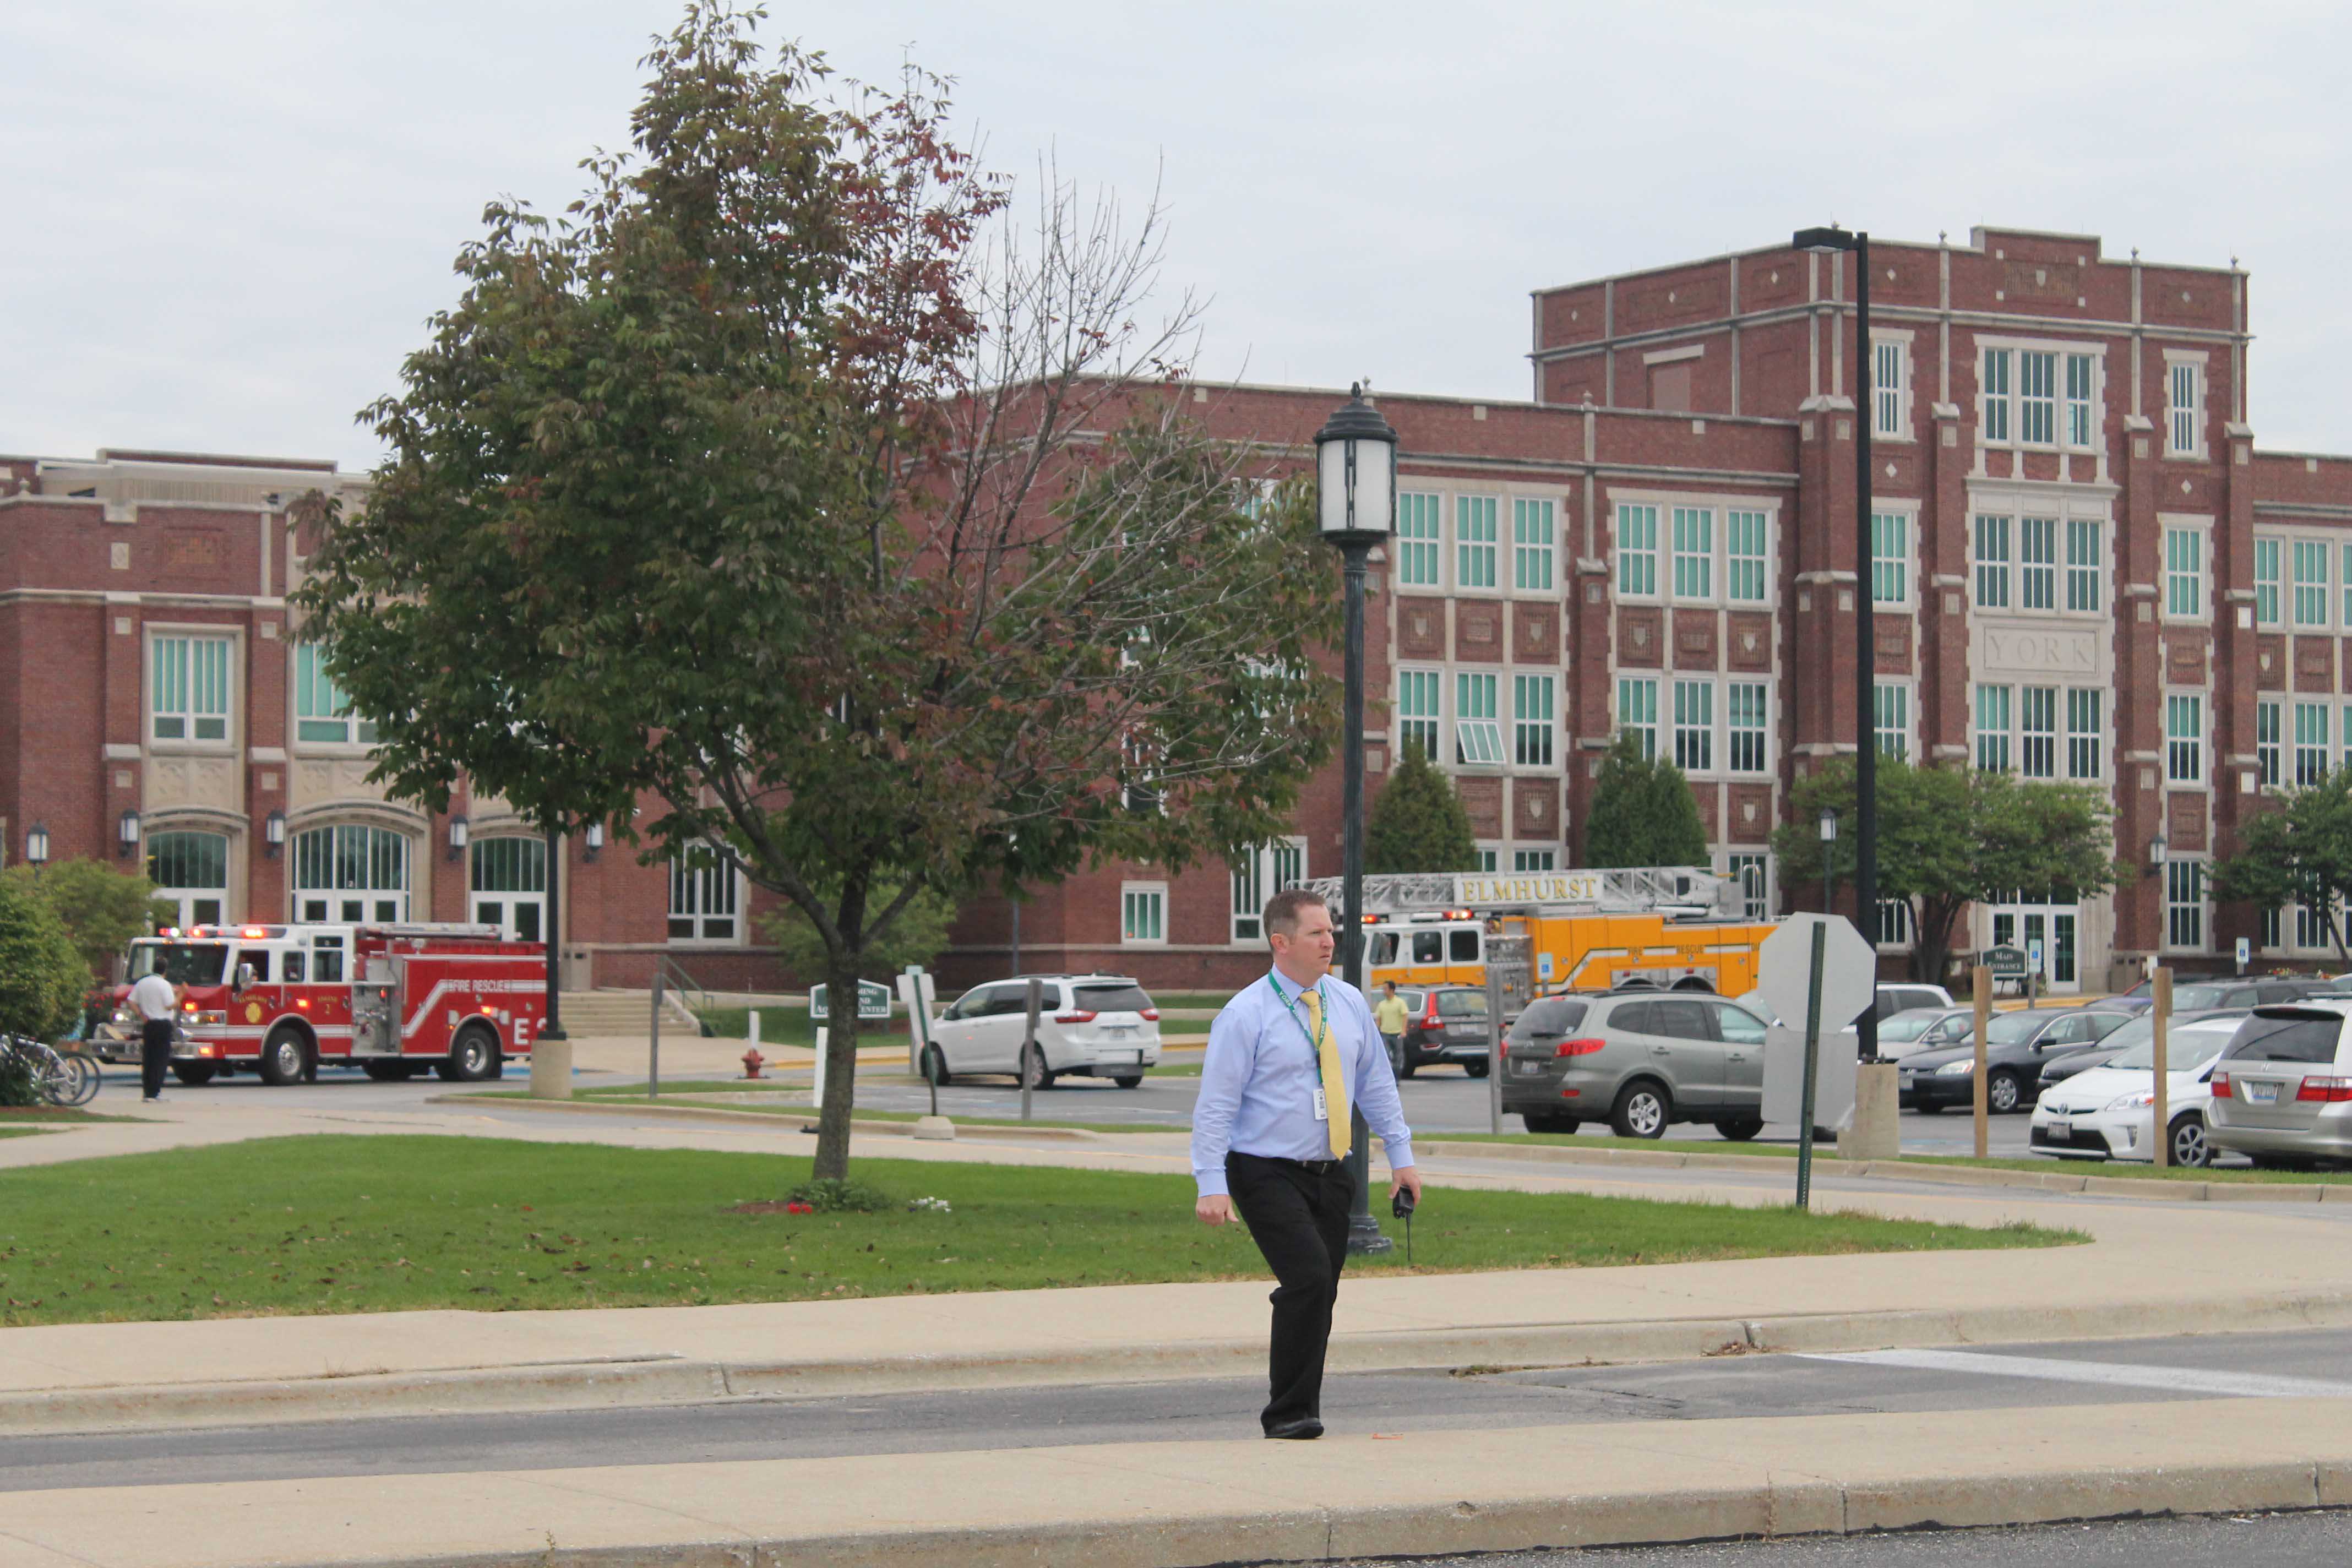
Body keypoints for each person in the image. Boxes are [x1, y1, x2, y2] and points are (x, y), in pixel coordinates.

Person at [1192, 888, 1420, 1440]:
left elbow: (1376, 1085)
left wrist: (1402, 1157)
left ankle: (1304, 1405)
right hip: (1263, 1168)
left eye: (1330, 930)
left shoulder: (1346, 1003)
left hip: (1330, 1170)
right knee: (1309, 1276)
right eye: (1316, 932)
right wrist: (1211, 1182)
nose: (1329, 941)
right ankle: (1288, 1412)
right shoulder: (1246, 1014)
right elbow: (1216, 1105)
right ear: (1281, 942)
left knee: (1323, 1288)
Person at [128, 962, 182, 1104]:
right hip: (163, 1024)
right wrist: (181, 995)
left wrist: (140, 1014)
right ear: (165, 970)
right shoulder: (164, 984)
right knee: (160, 1059)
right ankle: (155, 1091)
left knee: (149, 1058)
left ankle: (147, 1092)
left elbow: (131, 1001)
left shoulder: (142, 983)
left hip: (149, 1023)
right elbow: (170, 1005)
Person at [1373, 981, 1411, 1075]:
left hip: (1397, 1034)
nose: (1383, 991)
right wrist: (1376, 1032)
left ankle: (1396, 1077)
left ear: (1392, 990)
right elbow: (1379, 1019)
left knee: (1398, 1056)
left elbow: (1405, 1016)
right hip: (1385, 1034)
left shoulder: (1400, 1002)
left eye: (1385, 989)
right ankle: (1387, 1076)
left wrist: (1403, 1031)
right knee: (1386, 1055)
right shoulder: (1382, 1004)